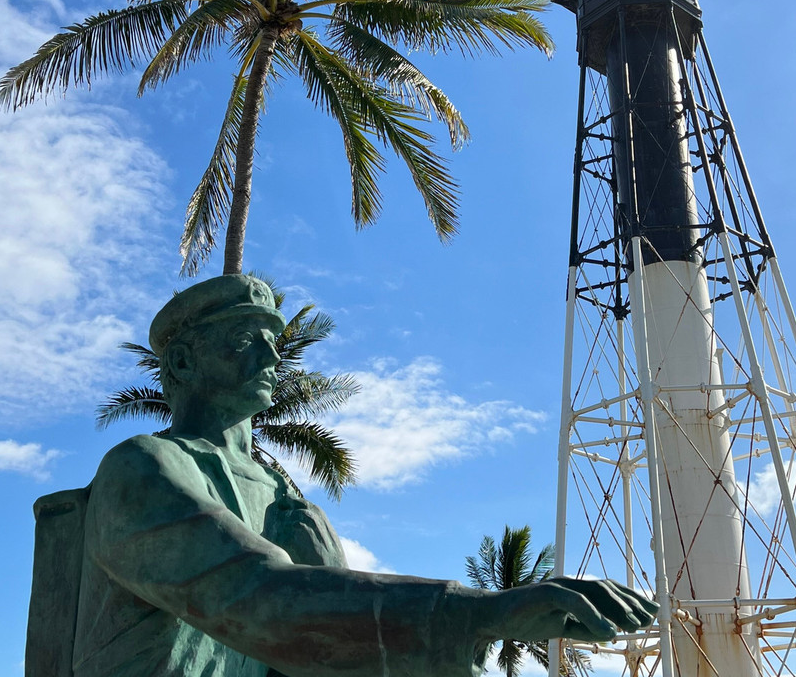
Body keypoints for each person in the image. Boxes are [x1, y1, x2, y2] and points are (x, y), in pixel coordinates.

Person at [65, 275, 656, 677]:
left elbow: (318, 646)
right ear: (183, 363)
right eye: (246, 342)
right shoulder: (143, 467)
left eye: (275, 344)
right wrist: (480, 612)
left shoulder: (278, 492)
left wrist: (327, 573)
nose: (273, 361)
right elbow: (254, 600)